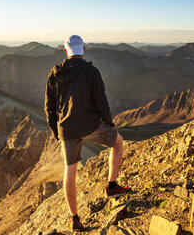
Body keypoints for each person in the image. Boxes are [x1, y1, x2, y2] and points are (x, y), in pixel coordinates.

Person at [44, 35, 130, 231]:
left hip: (66, 130)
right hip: (91, 126)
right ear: (82, 50)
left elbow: (49, 107)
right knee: (118, 142)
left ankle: (74, 218)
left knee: (70, 171)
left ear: (66, 51)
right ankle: (112, 186)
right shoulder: (91, 71)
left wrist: (56, 131)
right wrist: (109, 124)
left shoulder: (54, 73)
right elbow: (101, 102)